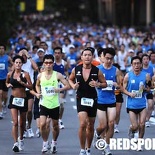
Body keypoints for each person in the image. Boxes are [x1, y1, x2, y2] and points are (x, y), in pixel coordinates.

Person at [69, 47, 107, 155]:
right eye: (85, 55)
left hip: (92, 99)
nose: (87, 57)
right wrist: (73, 86)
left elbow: (105, 84)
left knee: (90, 125)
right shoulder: (76, 69)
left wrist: (98, 84)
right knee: (82, 124)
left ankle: (88, 148)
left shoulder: (97, 70)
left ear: (92, 57)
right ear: (81, 57)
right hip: (81, 98)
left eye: (89, 55)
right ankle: (82, 149)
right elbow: (70, 79)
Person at [35, 54, 70, 153]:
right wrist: (38, 92)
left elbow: (67, 86)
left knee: (55, 126)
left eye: (50, 63)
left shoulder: (57, 75)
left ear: (53, 64)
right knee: (42, 125)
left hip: (54, 104)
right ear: (44, 64)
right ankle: (45, 143)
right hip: (43, 103)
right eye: (46, 63)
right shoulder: (40, 75)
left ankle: (54, 142)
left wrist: (59, 89)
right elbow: (37, 85)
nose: (48, 65)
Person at [94, 47, 121, 155]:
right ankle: (97, 133)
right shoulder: (98, 69)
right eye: (107, 58)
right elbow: (93, 82)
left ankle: (106, 146)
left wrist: (116, 85)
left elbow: (121, 85)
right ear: (103, 58)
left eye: (111, 58)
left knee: (111, 123)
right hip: (100, 100)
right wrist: (97, 84)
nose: (109, 60)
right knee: (103, 125)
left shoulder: (116, 70)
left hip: (111, 100)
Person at [123, 56, 150, 151]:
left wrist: (144, 89)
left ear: (141, 64)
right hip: (131, 104)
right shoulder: (128, 76)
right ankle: (131, 129)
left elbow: (150, 89)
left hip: (142, 103)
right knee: (135, 126)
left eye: (138, 63)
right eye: (134, 64)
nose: (136, 65)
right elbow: (123, 89)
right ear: (131, 65)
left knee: (142, 124)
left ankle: (139, 143)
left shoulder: (146, 75)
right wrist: (129, 93)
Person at [6, 55, 32, 152]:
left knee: (21, 123)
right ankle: (15, 143)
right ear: (13, 63)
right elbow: (6, 82)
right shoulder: (10, 74)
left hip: (23, 99)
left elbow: (31, 87)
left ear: (22, 64)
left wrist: (22, 83)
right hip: (14, 99)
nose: (18, 64)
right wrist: (8, 85)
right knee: (15, 123)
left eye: (19, 63)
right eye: (16, 62)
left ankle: (21, 139)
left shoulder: (25, 74)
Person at [18, 48, 38, 138]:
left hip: (30, 88)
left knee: (29, 110)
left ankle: (29, 127)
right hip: (20, 89)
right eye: (22, 55)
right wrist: (19, 56)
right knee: (23, 112)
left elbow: (36, 68)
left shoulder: (30, 62)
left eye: (25, 55)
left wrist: (29, 56)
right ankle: (24, 130)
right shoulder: (19, 64)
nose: (24, 57)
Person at [53, 47, 68, 129]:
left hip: (61, 84)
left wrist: (67, 79)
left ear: (61, 54)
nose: (57, 54)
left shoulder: (64, 63)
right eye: (56, 53)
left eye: (59, 53)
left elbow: (66, 71)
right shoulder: (52, 63)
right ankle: (54, 119)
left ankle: (59, 119)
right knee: (55, 104)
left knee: (61, 104)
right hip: (53, 84)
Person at [0, 44, 13, 118]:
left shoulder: (7, 58)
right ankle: (0, 111)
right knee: (0, 94)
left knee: (5, 96)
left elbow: (12, 65)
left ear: (4, 50)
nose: (1, 50)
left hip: (5, 79)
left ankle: (4, 104)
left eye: (2, 48)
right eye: (0, 48)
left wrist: (11, 70)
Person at [141, 54, 154, 127]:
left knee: (151, 104)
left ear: (149, 60)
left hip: (149, 90)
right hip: (141, 90)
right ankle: (142, 119)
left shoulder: (152, 69)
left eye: (147, 59)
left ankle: (147, 120)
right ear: (142, 61)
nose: (146, 60)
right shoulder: (139, 69)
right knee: (143, 106)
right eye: (144, 59)